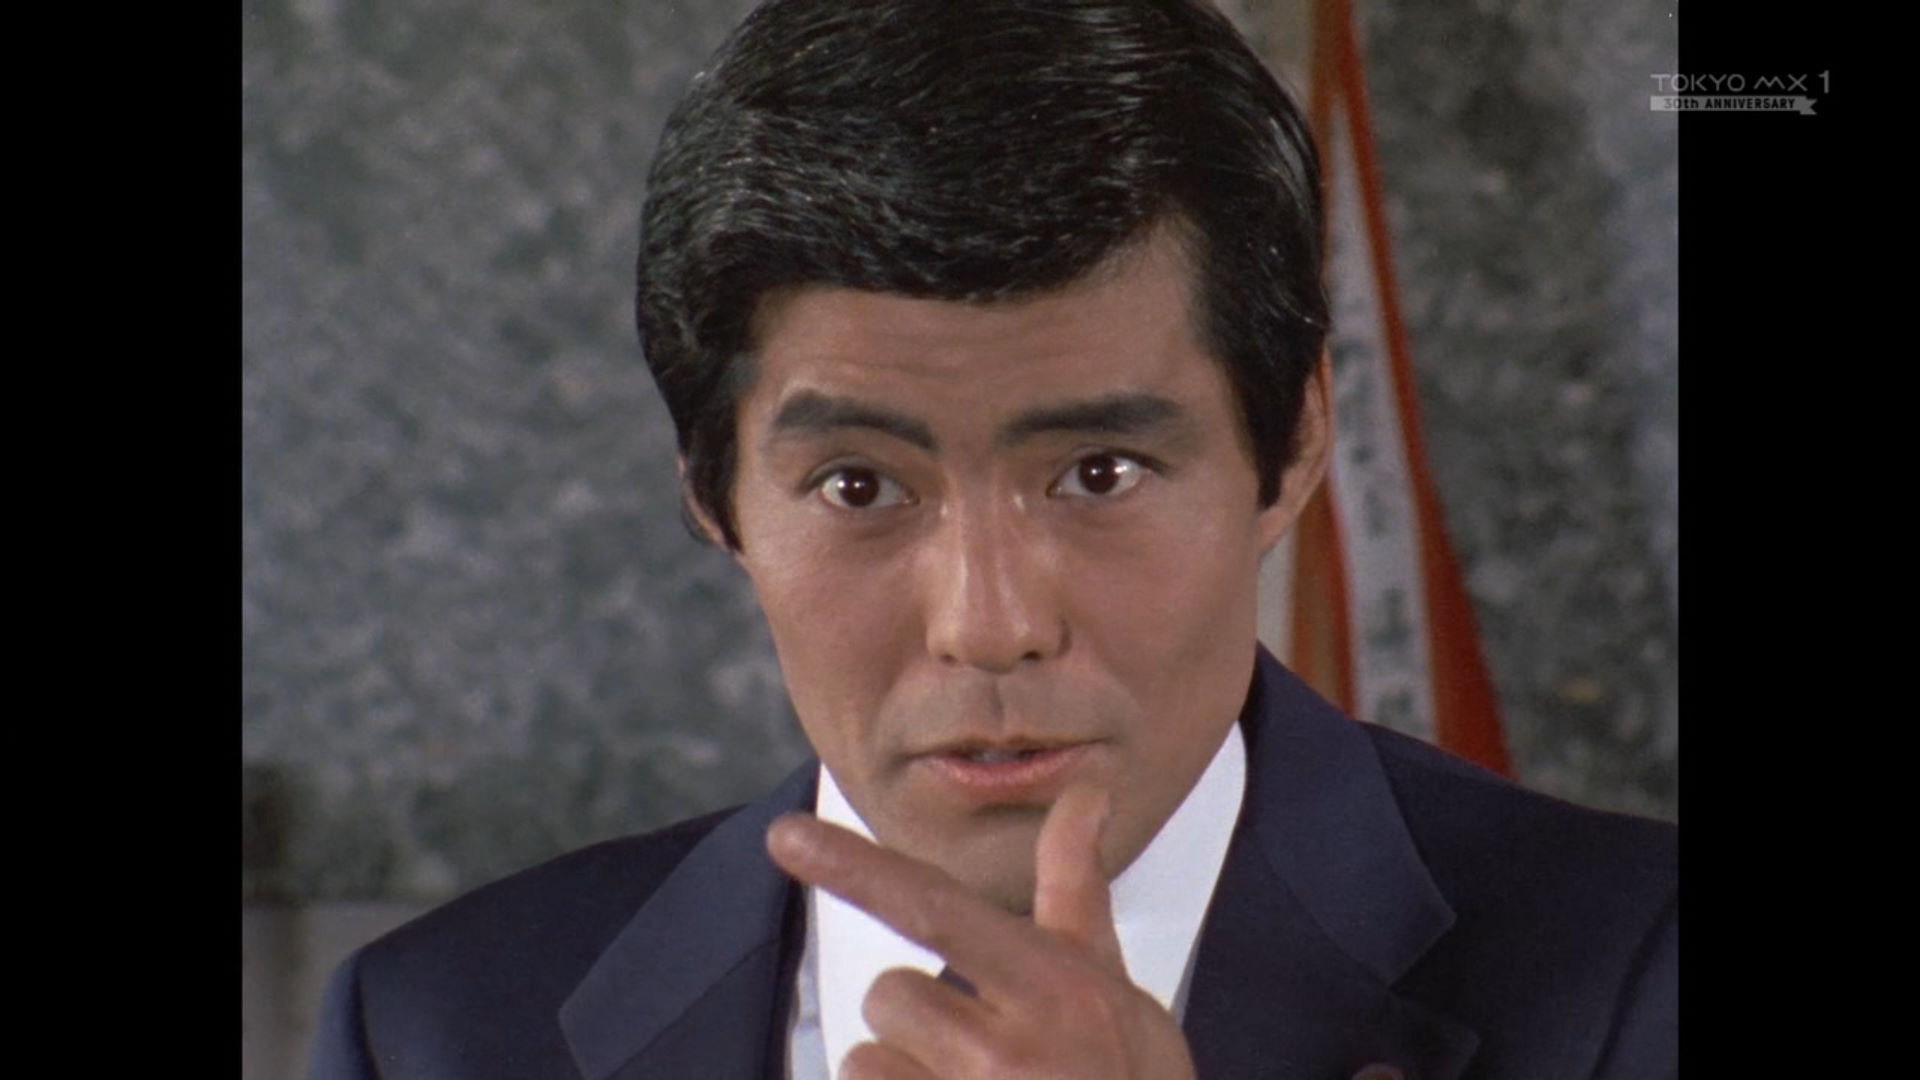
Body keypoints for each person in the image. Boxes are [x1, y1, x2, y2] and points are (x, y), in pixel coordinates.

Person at [308, 1, 1677, 1077]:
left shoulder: (1639, 975)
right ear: (712, 496)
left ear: (1295, 446)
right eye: (859, 487)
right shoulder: (436, 1029)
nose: (991, 622)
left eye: (1099, 473)